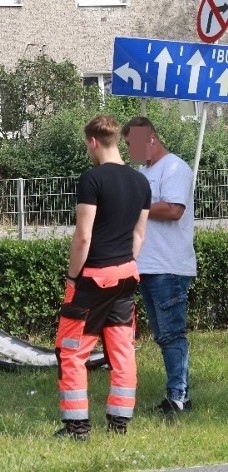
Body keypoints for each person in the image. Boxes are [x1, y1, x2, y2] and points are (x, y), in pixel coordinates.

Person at [55, 114, 151, 441]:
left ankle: (77, 428)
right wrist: (123, 264)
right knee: (122, 350)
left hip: (94, 278)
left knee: (71, 350)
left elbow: (83, 237)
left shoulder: (92, 179)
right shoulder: (141, 182)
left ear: (93, 141)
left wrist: (72, 277)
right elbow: (139, 236)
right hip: (127, 274)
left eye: (87, 145)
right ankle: (119, 423)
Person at [122, 117, 196, 414]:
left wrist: (136, 208)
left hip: (169, 266)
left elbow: (174, 209)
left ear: (150, 138)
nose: (130, 151)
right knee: (163, 334)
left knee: (172, 333)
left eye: (132, 144)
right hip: (149, 266)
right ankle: (176, 394)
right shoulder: (144, 171)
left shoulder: (175, 168)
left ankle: (179, 397)